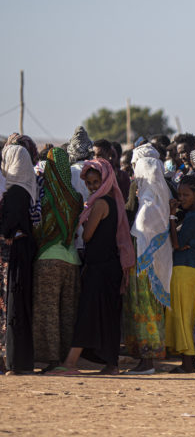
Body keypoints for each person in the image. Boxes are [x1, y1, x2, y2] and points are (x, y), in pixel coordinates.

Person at [51, 158, 134, 375]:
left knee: (87, 314)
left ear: (105, 180)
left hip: (101, 269)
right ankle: (111, 365)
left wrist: (84, 220)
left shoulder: (98, 204)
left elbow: (87, 236)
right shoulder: (113, 201)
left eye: (96, 182)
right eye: (89, 183)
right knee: (107, 316)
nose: (92, 187)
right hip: (108, 267)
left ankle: (70, 363)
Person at [31, 147, 83, 373]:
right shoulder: (76, 197)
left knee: (47, 310)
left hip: (48, 259)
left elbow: (39, 228)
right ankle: (66, 357)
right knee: (68, 311)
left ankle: (50, 359)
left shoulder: (45, 195)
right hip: (72, 259)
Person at [124, 154, 173, 375]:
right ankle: (147, 359)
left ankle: (147, 361)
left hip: (145, 272)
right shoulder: (158, 201)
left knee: (145, 312)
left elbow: (140, 235)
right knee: (149, 312)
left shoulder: (147, 206)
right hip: (151, 270)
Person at [0, 145, 38, 374]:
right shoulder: (27, 189)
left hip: (14, 255)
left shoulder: (15, 193)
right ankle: (19, 360)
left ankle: (14, 362)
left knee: (13, 304)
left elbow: (7, 228)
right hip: (23, 251)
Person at [166, 175, 195, 373]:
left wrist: (172, 216)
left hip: (185, 269)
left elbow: (177, 244)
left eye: (186, 195)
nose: (181, 198)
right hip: (187, 268)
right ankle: (190, 362)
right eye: (179, 194)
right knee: (185, 316)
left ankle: (188, 362)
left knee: (183, 317)